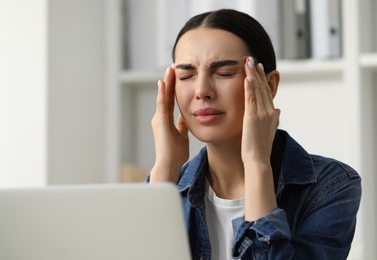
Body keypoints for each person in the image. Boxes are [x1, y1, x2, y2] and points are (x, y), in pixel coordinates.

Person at [147, 9, 362, 260]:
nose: (202, 91)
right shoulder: (164, 183)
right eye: (186, 76)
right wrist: (165, 170)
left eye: (224, 73)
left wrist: (257, 164)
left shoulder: (331, 186)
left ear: (269, 85)